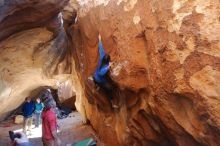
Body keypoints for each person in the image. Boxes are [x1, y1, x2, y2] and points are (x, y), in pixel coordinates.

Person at [91, 35, 118, 108]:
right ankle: (113, 103)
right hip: (99, 78)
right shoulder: (102, 59)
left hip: (96, 75)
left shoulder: (102, 54)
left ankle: (97, 85)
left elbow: (101, 47)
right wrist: (108, 67)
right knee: (109, 88)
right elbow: (100, 73)